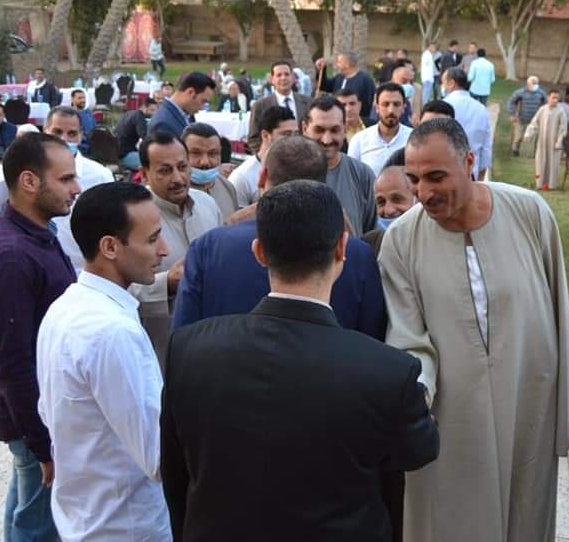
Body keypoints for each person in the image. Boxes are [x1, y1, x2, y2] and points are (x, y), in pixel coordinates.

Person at [161, 179, 439, 541]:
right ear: (342, 248)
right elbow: (418, 451)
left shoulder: (189, 350)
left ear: (260, 252)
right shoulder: (387, 371)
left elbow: (176, 474)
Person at [380, 117, 569, 542]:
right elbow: (408, 335)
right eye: (414, 180)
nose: (424, 193)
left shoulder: (529, 212)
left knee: (525, 512)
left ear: (469, 162)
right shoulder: (401, 240)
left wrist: (563, 410)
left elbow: (557, 310)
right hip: (449, 413)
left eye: (436, 177)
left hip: (527, 398)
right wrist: (417, 397)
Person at [36, 182, 172, 541]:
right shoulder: (114, 332)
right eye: (152, 239)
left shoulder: (64, 308)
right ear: (110, 247)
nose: (164, 250)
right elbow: (158, 455)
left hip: (85, 516)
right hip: (125, 524)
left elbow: (49, 412)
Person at [0, 133, 80, 542]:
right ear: (29, 181)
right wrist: (42, 443)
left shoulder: (35, 234)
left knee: (27, 512)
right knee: (40, 527)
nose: (76, 188)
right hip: (35, 420)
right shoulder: (9, 257)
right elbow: (13, 364)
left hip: (41, 417)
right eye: (65, 179)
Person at [173, 135, 387, 340]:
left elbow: (183, 337)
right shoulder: (357, 255)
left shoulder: (210, 248)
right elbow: (372, 339)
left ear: (262, 177)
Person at [132, 131, 222, 361]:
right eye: (165, 171)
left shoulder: (208, 204)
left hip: (212, 343)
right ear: (144, 174)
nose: (178, 178)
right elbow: (119, 290)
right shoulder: (132, 217)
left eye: (182, 167)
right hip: (161, 350)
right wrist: (166, 284)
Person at [44, 106, 115, 270]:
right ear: (45, 132)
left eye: (72, 134)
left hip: (83, 269)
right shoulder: (30, 174)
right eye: (57, 132)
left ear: (80, 136)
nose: (63, 139)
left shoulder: (100, 175)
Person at [302, 95, 377, 236]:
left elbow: (372, 236)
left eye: (335, 130)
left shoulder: (363, 175)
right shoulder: (290, 173)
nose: (327, 140)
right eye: (319, 130)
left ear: (345, 129)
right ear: (305, 129)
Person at [229, 105, 298, 208]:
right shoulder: (242, 178)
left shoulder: (298, 167)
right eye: (286, 134)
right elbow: (235, 217)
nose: (294, 139)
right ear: (265, 135)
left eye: (296, 134)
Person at [348, 82, 413, 175]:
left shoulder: (414, 139)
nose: (391, 110)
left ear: (403, 108)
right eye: (385, 104)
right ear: (377, 108)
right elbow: (352, 177)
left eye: (396, 104)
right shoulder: (359, 140)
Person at [441, 68, 492, 180]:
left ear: (451, 83)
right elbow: (486, 147)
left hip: (444, 173)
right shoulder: (481, 109)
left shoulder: (442, 106)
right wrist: (481, 176)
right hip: (472, 173)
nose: (442, 86)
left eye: (443, 82)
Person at [182, 122, 239, 221]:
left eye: (213, 153)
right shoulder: (175, 193)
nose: (205, 162)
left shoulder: (227, 187)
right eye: (196, 153)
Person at [361, 165, 416, 256]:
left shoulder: (432, 239)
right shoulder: (369, 244)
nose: (388, 210)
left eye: (397, 199)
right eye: (381, 202)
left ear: (417, 199)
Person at [148, 72, 215, 139]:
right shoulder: (163, 124)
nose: (202, 108)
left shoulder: (186, 114)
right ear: (190, 92)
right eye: (203, 101)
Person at [316, 51, 377, 125]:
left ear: (347, 64)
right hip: (337, 120)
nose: (337, 65)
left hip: (357, 122)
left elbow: (369, 102)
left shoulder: (365, 80)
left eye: (339, 62)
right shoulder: (339, 77)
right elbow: (324, 86)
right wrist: (322, 69)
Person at [527, 89, 569, 190]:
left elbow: (563, 128)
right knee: (540, 162)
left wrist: (559, 142)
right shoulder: (542, 109)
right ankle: (539, 183)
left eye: (557, 98)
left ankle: (551, 185)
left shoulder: (560, 111)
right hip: (542, 142)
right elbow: (534, 122)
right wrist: (528, 134)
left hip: (553, 142)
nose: (555, 100)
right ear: (548, 97)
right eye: (553, 98)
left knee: (552, 163)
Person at [251, 61, 311, 127]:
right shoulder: (260, 106)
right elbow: (254, 133)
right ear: (272, 79)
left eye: (287, 74)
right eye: (279, 75)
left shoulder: (308, 102)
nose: (283, 78)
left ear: (293, 78)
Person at [506, 75, 547, 156]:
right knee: (519, 136)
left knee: (533, 137)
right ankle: (515, 150)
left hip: (534, 120)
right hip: (521, 118)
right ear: (528, 84)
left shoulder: (541, 93)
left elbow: (546, 104)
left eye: (536, 83)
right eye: (533, 83)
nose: (535, 85)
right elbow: (511, 102)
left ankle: (532, 154)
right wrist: (512, 114)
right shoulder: (520, 92)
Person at [116, 98, 159, 171]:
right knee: (152, 164)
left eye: (155, 111)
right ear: (144, 107)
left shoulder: (128, 113)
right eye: (152, 110)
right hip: (125, 154)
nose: (154, 113)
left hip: (117, 152)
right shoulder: (139, 116)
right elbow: (145, 137)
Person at [69, 88, 97, 154]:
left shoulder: (88, 113)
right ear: (72, 99)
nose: (83, 100)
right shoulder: (69, 114)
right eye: (79, 98)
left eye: (84, 98)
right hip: (81, 148)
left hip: (94, 146)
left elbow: (95, 129)